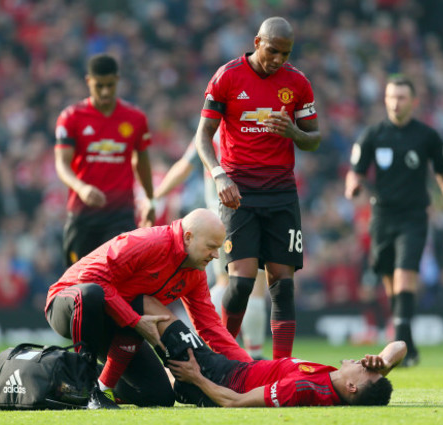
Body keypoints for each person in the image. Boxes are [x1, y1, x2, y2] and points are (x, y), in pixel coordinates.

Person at [194, 16, 321, 359]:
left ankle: (282, 367)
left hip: (281, 192)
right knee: (240, 282)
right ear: (257, 41)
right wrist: (220, 175)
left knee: (283, 285)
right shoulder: (228, 77)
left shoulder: (297, 83)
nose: (279, 59)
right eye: (273, 51)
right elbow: (202, 136)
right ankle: (221, 358)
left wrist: (293, 133)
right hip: (240, 193)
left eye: (286, 53)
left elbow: (314, 138)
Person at [44, 208, 252, 409]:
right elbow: (89, 278)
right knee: (92, 294)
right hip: (69, 304)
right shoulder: (149, 242)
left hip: (114, 320)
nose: (216, 255)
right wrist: (134, 320)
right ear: (188, 237)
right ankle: (85, 388)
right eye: (211, 246)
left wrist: (251, 372)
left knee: (158, 395)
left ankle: (90, 382)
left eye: (218, 248)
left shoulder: (195, 272)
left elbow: (211, 327)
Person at [345, 75, 443, 367]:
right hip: (382, 216)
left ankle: (398, 345)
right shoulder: (373, 135)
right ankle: (407, 344)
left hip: (414, 216)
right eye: (391, 97)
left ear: (413, 102)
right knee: (389, 280)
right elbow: (356, 170)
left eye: (401, 97)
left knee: (404, 274)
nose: (395, 103)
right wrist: (353, 185)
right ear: (385, 100)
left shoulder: (427, 136)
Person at [143, 295, 406, 407]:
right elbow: (401, 346)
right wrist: (383, 360)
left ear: (351, 387)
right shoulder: (338, 381)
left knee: (148, 305)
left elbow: (234, 402)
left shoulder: (303, 388)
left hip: (214, 378)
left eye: (365, 369)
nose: (364, 362)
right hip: (232, 367)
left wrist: (196, 377)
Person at [154, 138, 269, 360]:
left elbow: (184, 165)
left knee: (232, 282)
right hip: (246, 214)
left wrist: (156, 195)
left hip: (224, 216)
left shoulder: (211, 130)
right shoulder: (247, 123)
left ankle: (215, 347)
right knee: (249, 283)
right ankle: (233, 351)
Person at [54, 53, 155, 267]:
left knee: (118, 278)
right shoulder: (71, 117)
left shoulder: (135, 118)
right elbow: (62, 164)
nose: (106, 91)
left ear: (117, 80)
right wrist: (81, 188)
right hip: (83, 215)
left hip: (120, 213)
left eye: (110, 85)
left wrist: (149, 199)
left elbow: (142, 162)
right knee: (79, 284)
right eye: (99, 86)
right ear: (88, 81)